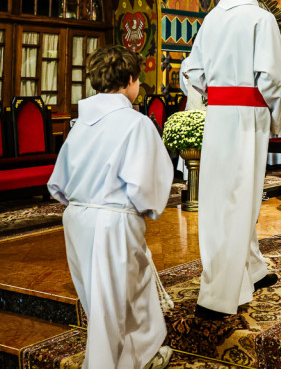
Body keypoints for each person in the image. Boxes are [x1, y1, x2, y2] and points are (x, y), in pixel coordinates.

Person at [181, 0, 281, 320]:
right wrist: (276, 118)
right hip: (249, 117)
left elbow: (193, 73)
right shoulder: (261, 19)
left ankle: (253, 268)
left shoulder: (212, 18)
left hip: (217, 115)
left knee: (222, 193)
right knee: (240, 197)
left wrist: (211, 99)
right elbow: (273, 80)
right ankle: (218, 295)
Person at [47, 45, 174, 369]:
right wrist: (143, 208)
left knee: (106, 300)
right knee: (112, 306)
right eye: (138, 80)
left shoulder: (80, 124)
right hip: (113, 222)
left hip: (77, 219)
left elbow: (58, 183)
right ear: (130, 79)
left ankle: (136, 356)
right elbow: (147, 185)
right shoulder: (136, 123)